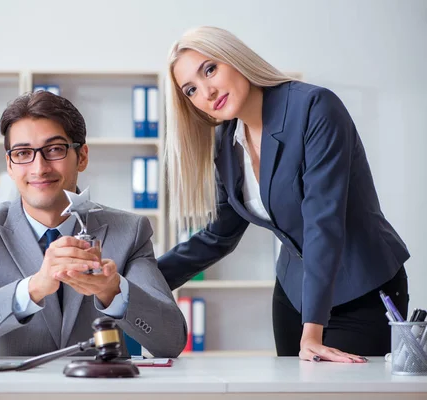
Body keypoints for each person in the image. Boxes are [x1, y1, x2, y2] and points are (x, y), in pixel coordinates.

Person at [158, 26, 410, 362]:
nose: (207, 90)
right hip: (293, 297)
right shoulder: (227, 142)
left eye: (210, 69)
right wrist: (135, 279)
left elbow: (323, 222)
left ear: (235, 58)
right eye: (191, 89)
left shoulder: (314, 108)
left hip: (360, 290)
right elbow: (218, 236)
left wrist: (312, 331)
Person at [0, 91, 186, 358]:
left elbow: (171, 341)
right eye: (23, 153)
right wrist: (32, 289)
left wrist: (113, 290)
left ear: (82, 156)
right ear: (10, 165)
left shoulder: (130, 232)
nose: (39, 167)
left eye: (54, 149)